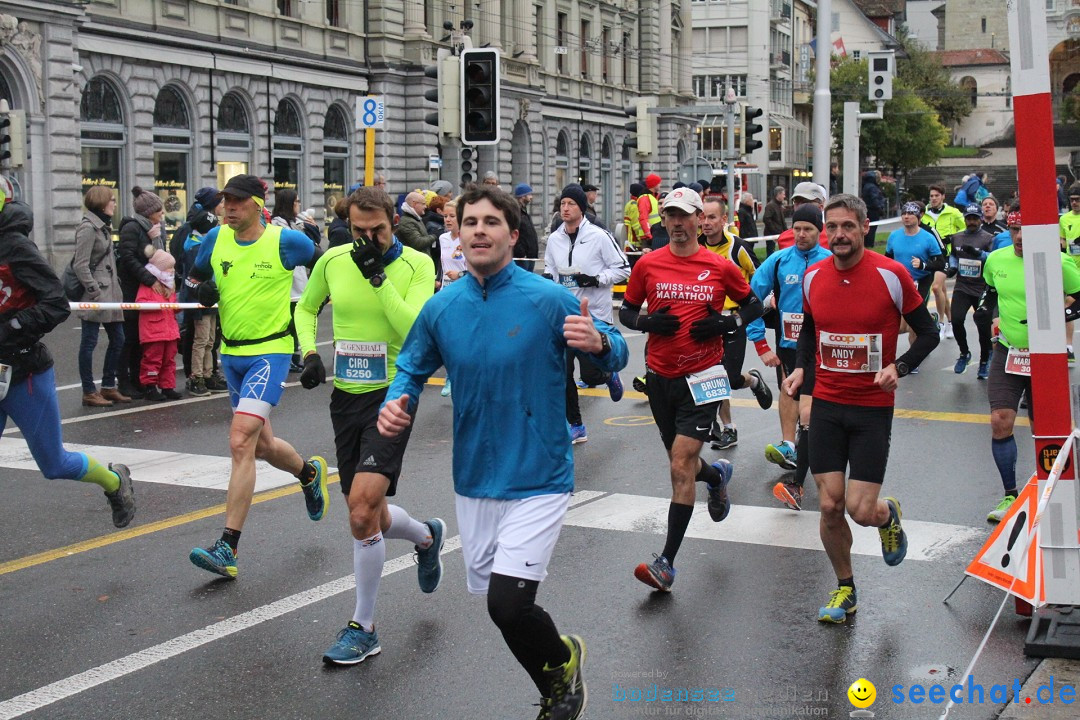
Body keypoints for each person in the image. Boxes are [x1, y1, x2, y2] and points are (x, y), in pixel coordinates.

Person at [379, 184, 628, 719]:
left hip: (539, 475)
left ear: (513, 236)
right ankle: (562, 662)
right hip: (475, 478)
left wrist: (601, 342)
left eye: (491, 223)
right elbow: (411, 365)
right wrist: (397, 399)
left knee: (507, 602)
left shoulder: (546, 298)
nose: (479, 231)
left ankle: (559, 686)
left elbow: (615, 345)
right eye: (470, 222)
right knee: (502, 610)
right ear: (458, 233)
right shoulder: (442, 307)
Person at [293, 185, 443, 665]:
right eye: (358, 230)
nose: (367, 239)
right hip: (347, 397)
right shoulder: (333, 260)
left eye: (376, 230)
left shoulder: (417, 265)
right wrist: (309, 350)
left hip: (396, 392)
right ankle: (425, 536)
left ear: (392, 223)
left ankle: (364, 626)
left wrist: (379, 278)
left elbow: (412, 331)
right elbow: (305, 306)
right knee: (370, 514)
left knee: (359, 511)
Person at [782, 194, 939, 624]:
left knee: (859, 509)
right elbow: (810, 331)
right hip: (828, 404)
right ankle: (845, 588)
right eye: (831, 227)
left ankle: (887, 516)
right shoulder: (813, 277)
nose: (838, 235)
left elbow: (928, 333)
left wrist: (899, 366)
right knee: (830, 506)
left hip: (872, 408)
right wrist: (800, 370)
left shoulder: (892, 275)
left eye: (847, 226)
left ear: (865, 228)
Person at [183, 174, 329, 579]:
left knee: (239, 439)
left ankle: (227, 546)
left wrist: (313, 326)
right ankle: (308, 473)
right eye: (225, 201)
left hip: (271, 351)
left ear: (257, 205)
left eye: (237, 201)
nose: (228, 208)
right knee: (261, 445)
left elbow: (326, 267)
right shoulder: (215, 240)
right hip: (231, 354)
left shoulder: (286, 242)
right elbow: (193, 278)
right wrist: (202, 291)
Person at [619, 187, 763, 592]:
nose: (678, 224)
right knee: (681, 462)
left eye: (685, 216)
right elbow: (628, 311)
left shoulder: (718, 266)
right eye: (671, 216)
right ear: (663, 221)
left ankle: (666, 563)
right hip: (661, 377)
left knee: (680, 465)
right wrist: (647, 323)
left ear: (701, 219)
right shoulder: (648, 264)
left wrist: (727, 324)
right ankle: (716, 477)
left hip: (704, 375)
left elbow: (753, 305)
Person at [0, 178, 136, 528]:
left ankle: (115, 482)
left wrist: (13, 328)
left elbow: (56, 302)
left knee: (54, 464)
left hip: (23, 372)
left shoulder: (14, 247)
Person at [980, 210, 1080, 521]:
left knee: (1045, 429)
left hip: (1045, 357)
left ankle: (1051, 491)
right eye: (1014, 230)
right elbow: (992, 290)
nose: (1020, 236)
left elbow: (1078, 298)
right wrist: (986, 309)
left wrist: (1052, 319)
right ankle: (1010, 495)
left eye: (1026, 229)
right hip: (1008, 352)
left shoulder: (1060, 262)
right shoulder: (997, 259)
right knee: (1000, 419)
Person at [746, 204, 832, 510]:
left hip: (822, 347)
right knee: (790, 393)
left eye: (808, 229)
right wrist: (760, 344)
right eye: (797, 229)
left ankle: (807, 465)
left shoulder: (830, 261)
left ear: (819, 231)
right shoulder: (779, 260)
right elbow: (751, 298)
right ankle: (790, 445)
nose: (801, 234)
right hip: (788, 343)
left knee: (811, 409)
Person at [545, 184, 630, 442]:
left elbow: (623, 269)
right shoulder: (554, 239)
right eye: (562, 204)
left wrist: (595, 279)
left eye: (571, 204)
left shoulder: (599, 236)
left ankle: (608, 374)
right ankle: (576, 424)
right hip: (563, 315)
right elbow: (551, 268)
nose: (565, 208)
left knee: (591, 373)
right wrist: (548, 278)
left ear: (581, 208)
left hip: (594, 314)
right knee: (562, 371)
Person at [699, 197, 772, 450]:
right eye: (703, 217)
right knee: (713, 376)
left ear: (724, 220)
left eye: (711, 217)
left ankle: (752, 380)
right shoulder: (696, 247)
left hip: (734, 319)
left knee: (728, 377)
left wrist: (755, 303)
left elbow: (758, 275)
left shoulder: (737, 248)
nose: (706, 223)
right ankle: (727, 429)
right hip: (706, 322)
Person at [74, 185, 129, 407]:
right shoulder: (88, 228)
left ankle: (108, 385)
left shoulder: (103, 226)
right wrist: (93, 290)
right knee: (89, 342)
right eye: (112, 200)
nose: (114, 204)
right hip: (97, 295)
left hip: (110, 293)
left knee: (118, 339)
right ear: (101, 202)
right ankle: (89, 390)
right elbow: (80, 264)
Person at [116, 186, 170, 398]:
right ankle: (124, 380)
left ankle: (140, 379)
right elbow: (128, 258)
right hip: (132, 289)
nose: (161, 215)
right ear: (148, 212)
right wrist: (149, 279)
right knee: (128, 338)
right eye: (158, 211)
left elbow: (156, 256)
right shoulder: (132, 228)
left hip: (146, 288)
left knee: (142, 337)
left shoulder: (153, 231)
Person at [172, 186, 227, 392]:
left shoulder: (203, 242)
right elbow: (192, 274)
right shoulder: (195, 245)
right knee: (201, 339)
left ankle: (208, 372)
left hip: (211, 297)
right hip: (199, 297)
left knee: (211, 340)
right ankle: (197, 376)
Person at [885, 201, 946, 369]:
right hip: (898, 281)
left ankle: (913, 359)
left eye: (910, 214)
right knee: (895, 322)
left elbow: (941, 263)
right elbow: (887, 259)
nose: (906, 217)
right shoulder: (894, 236)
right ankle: (930, 320)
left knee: (913, 323)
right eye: (904, 213)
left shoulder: (927, 238)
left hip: (921, 281)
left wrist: (924, 265)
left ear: (918, 217)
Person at [944, 204, 996, 379]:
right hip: (962, 286)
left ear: (980, 219)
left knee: (983, 326)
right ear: (965, 219)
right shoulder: (957, 237)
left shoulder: (988, 238)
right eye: (969, 218)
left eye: (975, 218)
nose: (972, 221)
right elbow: (953, 255)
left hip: (982, 288)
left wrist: (978, 253)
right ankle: (964, 353)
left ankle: (984, 360)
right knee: (957, 320)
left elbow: (993, 258)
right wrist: (952, 267)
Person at [921, 184, 965, 341]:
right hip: (929, 256)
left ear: (943, 197)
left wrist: (952, 238)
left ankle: (940, 323)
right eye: (931, 196)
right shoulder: (924, 214)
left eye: (936, 196)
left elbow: (964, 229)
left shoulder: (953, 213)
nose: (933, 198)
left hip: (945, 256)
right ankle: (950, 323)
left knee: (936, 287)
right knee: (942, 292)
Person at [136, 249, 182, 401]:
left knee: (169, 359)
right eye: (169, 267)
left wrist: (176, 307)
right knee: (153, 359)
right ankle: (150, 386)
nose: (172, 271)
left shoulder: (170, 286)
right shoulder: (148, 285)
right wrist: (160, 305)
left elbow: (173, 305)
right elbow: (140, 303)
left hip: (169, 329)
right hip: (154, 330)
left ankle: (167, 386)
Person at [775, 183, 829, 250]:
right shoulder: (784, 239)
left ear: (820, 207)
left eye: (806, 202)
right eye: (797, 202)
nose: (801, 207)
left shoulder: (832, 238)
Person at [513, 183, 539, 272]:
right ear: (522, 196)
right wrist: (521, 253)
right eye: (529, 194)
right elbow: (513, 232)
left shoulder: (524, 212)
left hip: (529, 257)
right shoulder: (515, 212)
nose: (531, 197)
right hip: (522, 258)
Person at [637, 173, 663, 250]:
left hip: (654, 234)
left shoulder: (652, 197)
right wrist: (649, 235)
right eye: (658, 183)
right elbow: (643, 218)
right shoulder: (645, 198)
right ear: (654, 185)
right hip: (648, 237)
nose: (660, 185)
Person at [624, 183, 647, 258]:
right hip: (635, 244)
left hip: (631, 242)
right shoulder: (635, 205)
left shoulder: (630, 203)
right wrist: (643, 240)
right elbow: (637, 225)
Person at [762, 186, 787, 252]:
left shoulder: (779, 205)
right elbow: (766, 219)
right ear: (778, 194)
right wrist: (775, 230)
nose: (784, 196)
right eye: (783, 194)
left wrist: (785, 231)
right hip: (771, 234)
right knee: (771, 252)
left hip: (779, 233)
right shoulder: (771, 206)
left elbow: (782, 221)